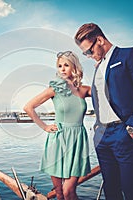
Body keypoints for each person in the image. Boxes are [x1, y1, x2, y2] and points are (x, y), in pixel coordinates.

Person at [74, 23, 133, 200]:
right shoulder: (98, 67)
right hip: (103, 136)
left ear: (100, 40)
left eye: (89, 51)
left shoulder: (129, 55)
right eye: (85, 54)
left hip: (124, 132)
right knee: (111, 192)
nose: (89, 56)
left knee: (132, 191)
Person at [23, 51, 91, 200]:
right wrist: (45, 127)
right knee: (60, 193)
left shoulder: (85, 90)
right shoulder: (55, 89)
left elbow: (109, 94)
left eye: (66, 65)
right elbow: (28, 107)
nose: (62, 69)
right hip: (58, 141)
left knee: (69, 191)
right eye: (59, 66)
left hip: (77, 141)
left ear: (75, 67)